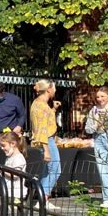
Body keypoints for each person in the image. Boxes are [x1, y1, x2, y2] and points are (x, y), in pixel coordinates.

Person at [84, 85, 108, 208]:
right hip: (99, 138)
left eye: (102, 96)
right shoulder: (94, 110)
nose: (100, 99)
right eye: (98, 97)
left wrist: (107, 121)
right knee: (102, 168)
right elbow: (88, 128)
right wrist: (96, 125)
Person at [30, 78, 62, 208]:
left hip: (45, 139)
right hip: (46, 140)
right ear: (49, 90)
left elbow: (44, 122)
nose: (54, 91)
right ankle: (44, 198)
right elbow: (42, 128)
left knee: (47, 170)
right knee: (55, 169)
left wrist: (53, 110)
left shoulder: (37, 104)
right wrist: (46, 149)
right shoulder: (41, 106)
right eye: (54, 89)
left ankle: (43, 198)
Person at [0, 131, 29, 201]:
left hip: (16, 194)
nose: (1, 148)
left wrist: (2, 170)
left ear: (13, 143)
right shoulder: (9, 157)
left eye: (3, 145)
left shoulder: (18, 158)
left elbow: (15, 174)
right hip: (8, 191)